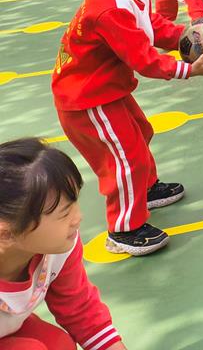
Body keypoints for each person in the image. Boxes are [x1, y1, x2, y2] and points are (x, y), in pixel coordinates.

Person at [52, 0, 203, 256]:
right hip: (87, 100)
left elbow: (152, 27)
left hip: (107, 90)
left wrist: (190, 37)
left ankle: (144, 189)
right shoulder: (109, 9)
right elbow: (144, 60)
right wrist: (190, 69)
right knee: (123, 158)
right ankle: (124, 229)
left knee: (140, 133)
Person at [0, 138, 125, 350]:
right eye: (64, 213)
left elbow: (80, 310)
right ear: (6, 234)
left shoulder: (58, 248)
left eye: (74, 202)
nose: (78, 217)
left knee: (60, 345)